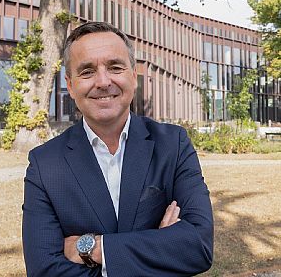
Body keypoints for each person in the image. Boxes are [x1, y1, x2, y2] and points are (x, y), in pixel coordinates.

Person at [22, 21, 213, 277]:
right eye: (87, 71)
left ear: (133, 76)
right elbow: (44, 270)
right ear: (70, 84)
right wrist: (160, 247)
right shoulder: (44, 164)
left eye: (115, 67)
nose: (103, 81)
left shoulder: (173, 144)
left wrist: (93, 249)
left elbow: (197, 247)